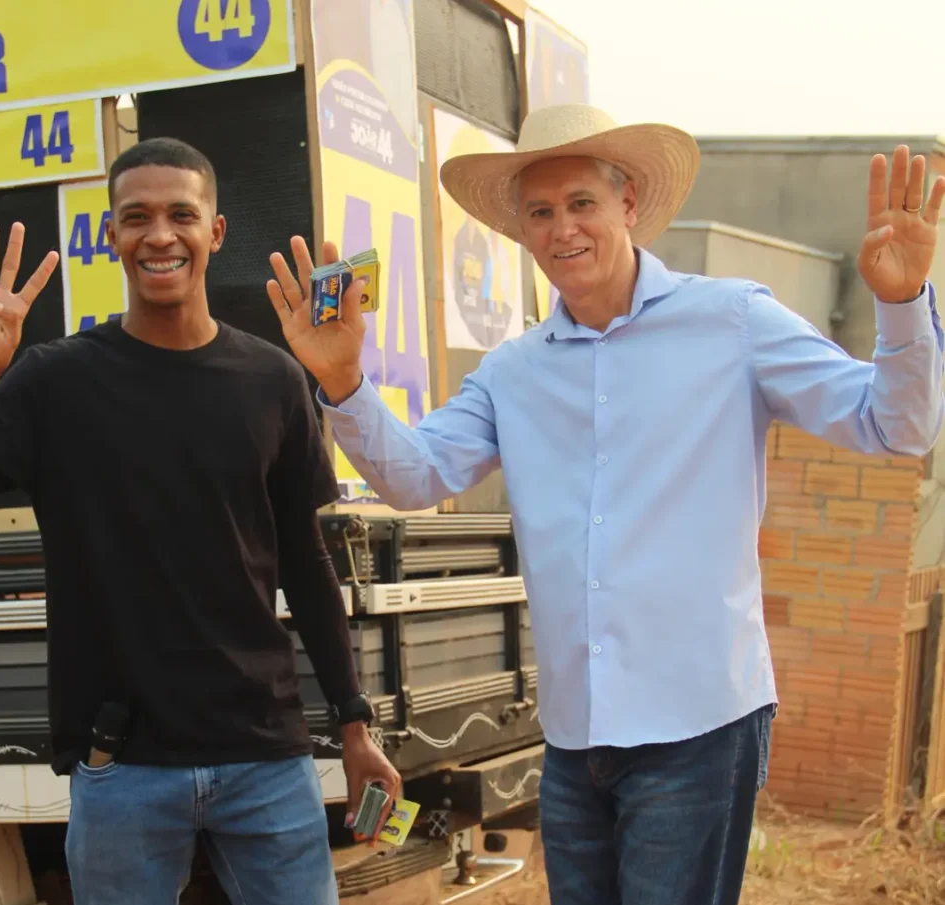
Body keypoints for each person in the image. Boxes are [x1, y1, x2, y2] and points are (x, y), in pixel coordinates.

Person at [266, 104, 945, 905]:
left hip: (698, 726)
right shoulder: (513, 371)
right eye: (542, 212)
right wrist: (342, 381)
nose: (563, 229)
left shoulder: (731, 320)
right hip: (575, 737)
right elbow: (414, 476)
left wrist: (901, 310)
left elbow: (896, 426)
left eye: (582, 203)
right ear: (522, 231)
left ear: (629, 205)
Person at [0, 137, 399, 905]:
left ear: (214, 232)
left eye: (181, 214)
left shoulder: (272, 380)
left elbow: (306, 560)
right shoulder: (54, 383)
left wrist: (355, 724)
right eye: (138, 217)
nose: (160, 234)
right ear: (113, 235)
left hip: (266, 758)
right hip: (121, 766)